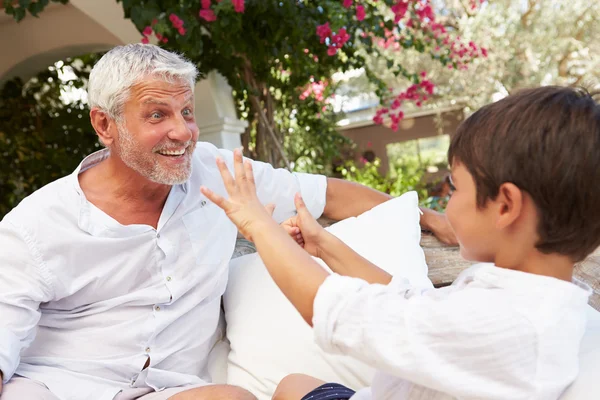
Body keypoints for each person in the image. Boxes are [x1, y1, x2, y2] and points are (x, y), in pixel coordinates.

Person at [0, 44, 453, 400]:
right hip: (55, 387)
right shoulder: (35, 226)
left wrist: (423, 214)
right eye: (158, 114)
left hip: (167, 392)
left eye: (187, 112)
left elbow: (327, 194)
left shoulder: (218, 175)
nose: (183, 132)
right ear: (105, 124)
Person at [201, 86, 600, 400]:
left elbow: (329, 308)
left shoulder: (504, 328)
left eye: (455, 187)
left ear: (506, 206)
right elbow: (410, 303)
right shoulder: (536, 297)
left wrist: (259, 225)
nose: (447, 202)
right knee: (292, 385)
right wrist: (323, 246)